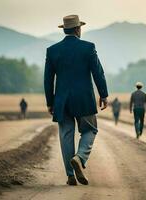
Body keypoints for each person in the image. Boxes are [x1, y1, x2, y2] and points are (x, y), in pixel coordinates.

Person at [44, 15, 108, 186]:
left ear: (64, 30)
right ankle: (79, 158)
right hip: (84, 99)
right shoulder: (88, 47)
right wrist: (103, 94)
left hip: (62, 101)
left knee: (66, 136)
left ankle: (70, 176)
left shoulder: (52, 50)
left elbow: (48, 80)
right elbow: (98, 73)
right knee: (90, 130)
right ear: (78, 29)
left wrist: (50, 102)